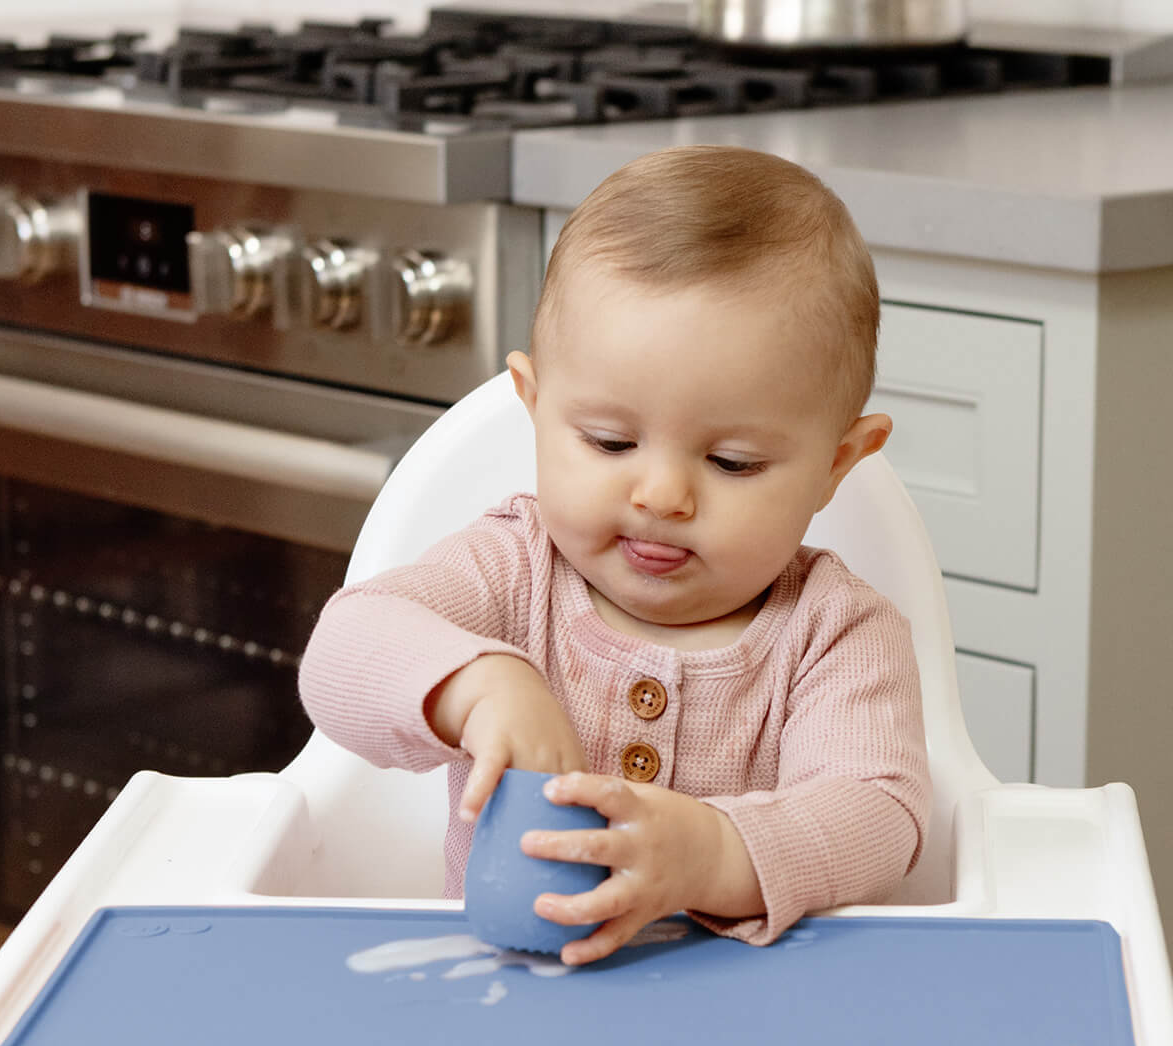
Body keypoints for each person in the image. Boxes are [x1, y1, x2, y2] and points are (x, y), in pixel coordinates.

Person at [298, 144, 931, 967]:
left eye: (732, 462)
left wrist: (711, 855)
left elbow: (879, 815)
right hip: (499, 997)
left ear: (837, 465)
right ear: (535, 408)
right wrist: (478, 684)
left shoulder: (834, 633)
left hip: (742, 1024)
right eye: (609, 440)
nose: (662, 494)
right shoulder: (513, 569)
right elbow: (342, 652)